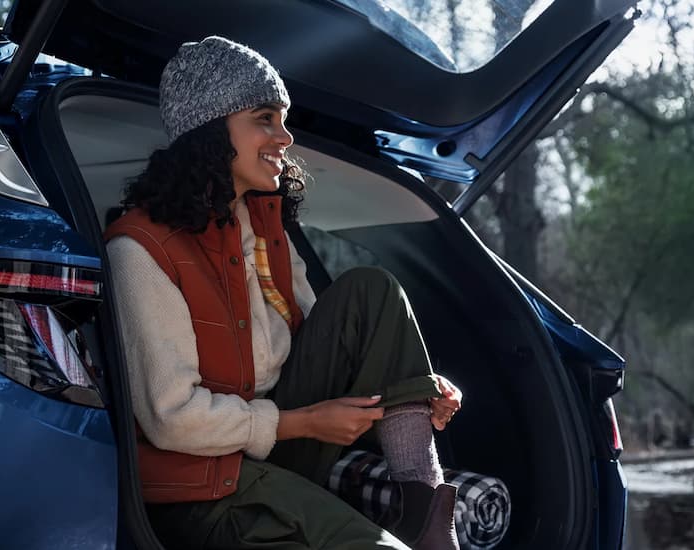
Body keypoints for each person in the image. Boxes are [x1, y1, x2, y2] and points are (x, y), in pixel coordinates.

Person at [106, 36, 463, 550]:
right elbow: (171, 420)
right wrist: (303, 422)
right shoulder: (141, 250)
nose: (285, 136)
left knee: (371, 290)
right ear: (211, 127)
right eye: (265, 118)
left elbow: (327, 345)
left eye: (283, 118)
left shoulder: (265, 226)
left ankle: (427, 514)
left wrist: (416, 389)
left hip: (278, 444)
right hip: (203, 486)